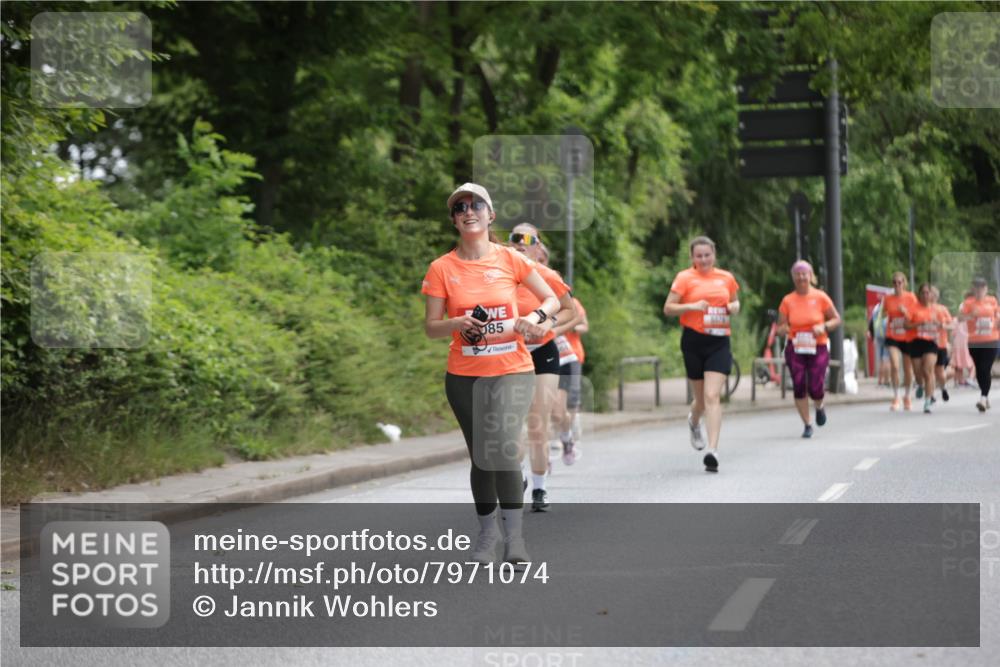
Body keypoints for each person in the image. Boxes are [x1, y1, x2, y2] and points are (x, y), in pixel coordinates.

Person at [422, 183, 559, 564]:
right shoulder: (441, 268)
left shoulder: (510, 259)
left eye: (477, 205)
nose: (469, 211)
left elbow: (551, 299)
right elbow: (431, 327)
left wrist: (533, 318)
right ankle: (487, 534)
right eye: (461, 207)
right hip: (464, 375)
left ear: (490, 215)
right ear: (454, 219)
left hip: (512, 368)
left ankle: (515, 540)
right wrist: (456, 323)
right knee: (482, 457)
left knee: (503, 445)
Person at [508, 225, 577, 511]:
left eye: (529, 239)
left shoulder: (547, 277)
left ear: (539, 248)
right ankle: (519, 475)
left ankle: (539, 489)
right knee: (509, 426)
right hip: (510, 353)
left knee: (537, 423)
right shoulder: (501, 277)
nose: (521, 243)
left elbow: (570, 312)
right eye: (515, 238)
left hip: (543, 352)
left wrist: (547, 325)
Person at [663, 236, 740, 472]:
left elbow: (736, 303)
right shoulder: (684, 278)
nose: (704, 259)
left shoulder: (726, 278)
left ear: (714, 255)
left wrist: (731, 308)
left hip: (719, 341)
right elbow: (668, 308)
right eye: (699, 256)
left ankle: (712, 451)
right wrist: (691, 306)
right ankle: (694, 421)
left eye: (707, 255)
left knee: (712, 395)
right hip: (693, 341)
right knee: (700, 401)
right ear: (692, 257)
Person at [776, 260, 841, 437]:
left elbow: (836, 319)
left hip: (817, 346)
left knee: (816, 386)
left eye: (804, 273)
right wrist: (784, 329)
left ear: (811, 276)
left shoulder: (820, 297)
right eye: (797, 274)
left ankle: (819, 407)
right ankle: (807, 424)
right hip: (795, 347)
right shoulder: (788, 300)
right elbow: (780, 327)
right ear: (793, 278)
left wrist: (824, 327)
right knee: (798, 385)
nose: (801, 277)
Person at [537, 246, 589, 466]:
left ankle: (567, 439)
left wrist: (553, 329)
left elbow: (577, 317)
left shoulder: (553, 284)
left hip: (564, 353)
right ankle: (541, 456)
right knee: (538, 411)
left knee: (558, 412)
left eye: (540, 259)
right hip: (528, 355)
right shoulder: (511, 283)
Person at [958, 277, 1000, 412]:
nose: (979, 290)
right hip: (974, 342)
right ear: (973, 289)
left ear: (986, 289)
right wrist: (970, 315)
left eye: (982, 287)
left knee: (984, 368)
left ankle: (983, 397)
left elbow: (997, 316)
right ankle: (985, 396)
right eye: (977, 287)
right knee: (980, 371)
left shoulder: (992, 301)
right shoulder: (968, 303)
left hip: (991, 340)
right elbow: (959, 318)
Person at [880, 272, 919, 411]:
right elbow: (882, 314)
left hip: (907, 337)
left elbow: (916, 316)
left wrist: (905, 313)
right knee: (895, 366)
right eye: (894, 282)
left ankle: (907, 396)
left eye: (899, 282)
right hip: (892, 336)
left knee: (908, 369)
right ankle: (896, 396)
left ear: (904, 283)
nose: (897, 285)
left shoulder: (911, 297)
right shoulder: (888, 298)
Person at [903, 283, 943, 414]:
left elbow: (944, 324)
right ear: (919, 294)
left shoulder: (936, 309)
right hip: (916, 342)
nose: (926, 295)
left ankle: (927, 402)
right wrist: (919, 323)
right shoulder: (913, 308)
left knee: (927, 370)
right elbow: (906, 325)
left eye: (928, 292)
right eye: (923, 293)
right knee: (918, 373)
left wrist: (938, 324)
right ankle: (920, 384)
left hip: (931, 342)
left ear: (931, 295)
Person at [929, 286, 953, 402]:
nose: (929, 295)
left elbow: (952, 325)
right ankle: (931, 395)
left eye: (932, 293)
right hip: (927, 344)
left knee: (940, 373)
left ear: (936, 296)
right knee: (929, 371)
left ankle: (943, 388)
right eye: (928, 293)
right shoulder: (922, 308)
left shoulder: (942, 309)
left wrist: (943, 326)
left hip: (940, 344)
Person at [950, 289, 976, 387]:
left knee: (959, 360)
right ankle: (969, 378)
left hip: (960, 338)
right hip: (966, 337)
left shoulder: (963, 308)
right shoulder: (967, 307)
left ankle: (959, 380)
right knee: (970, 360)